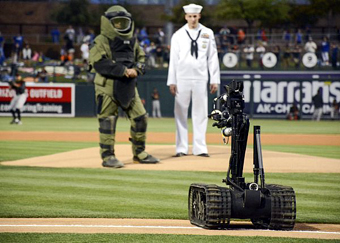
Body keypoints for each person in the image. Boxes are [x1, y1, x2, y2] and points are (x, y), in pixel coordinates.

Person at [89, 5, 160, 168]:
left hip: (129, 87)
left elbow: (142, 58)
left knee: (141, 118)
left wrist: (137, 69)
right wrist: (124, 71)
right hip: (107, 87)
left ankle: (139, 153)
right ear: (108, 23)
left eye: (123, 22)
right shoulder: (101, 40)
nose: (120, 25)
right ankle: (108, 156)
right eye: (117, 22)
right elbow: (99, 63)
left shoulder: (133, 41)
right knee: (107, 121)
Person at [167, 3, 220, 157]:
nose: (192, 19)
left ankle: (200, 147)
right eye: (190, 16)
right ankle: (181, 148)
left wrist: (214, 79)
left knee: (201, 113)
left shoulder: (207, 33)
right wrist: (172, 81)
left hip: (200, 77)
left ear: (199, 16)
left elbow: (212, 57)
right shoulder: (178, 35)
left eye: (195, 16)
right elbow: (173, 60)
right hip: (182, 77)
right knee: (180, 113)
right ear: (185, 17)